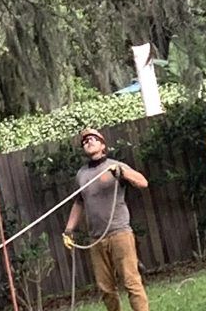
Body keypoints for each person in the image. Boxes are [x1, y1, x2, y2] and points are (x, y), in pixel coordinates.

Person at [63, 127, 150, 311]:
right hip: (96, 239)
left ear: (103, 145)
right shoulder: (81, 175)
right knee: (106, 289)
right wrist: (69, 230)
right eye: (85, 141)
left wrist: (122, 173)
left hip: (120, 233)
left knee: (131, 282)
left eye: (93, 139)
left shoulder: (115, 165)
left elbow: (143, 182)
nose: (88, 142)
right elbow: (79, 203)